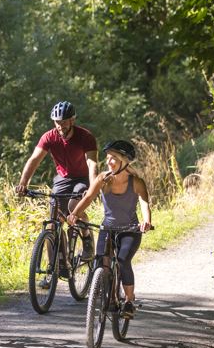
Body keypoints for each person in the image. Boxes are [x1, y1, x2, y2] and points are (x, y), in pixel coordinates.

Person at [67, 139, 153, 319]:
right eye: (107, 158)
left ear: (124, 161)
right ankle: (110, 297)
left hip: (130, 230)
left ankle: (129, 301)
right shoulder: (103, 179)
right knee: (101, 262)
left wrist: (146, 221)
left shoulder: (136, 182)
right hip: (108, 228)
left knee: (122, 260)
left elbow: (145, 204)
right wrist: (75, 213)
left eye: (113, 158)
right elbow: (88, 198)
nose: (108, 162)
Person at [15, 101, 99, 271]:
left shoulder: (85, 137)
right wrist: (23, 183)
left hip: (82, 178)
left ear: (72, 120)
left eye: (64, 122)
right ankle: (54, 267)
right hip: (62, 179)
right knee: (53, 222)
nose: (60, 126)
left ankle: (87, 239)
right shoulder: (49, 137)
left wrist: (93, 186)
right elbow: (34, 160)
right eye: (56, 122)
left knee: (74, 206)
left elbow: (92, 163)